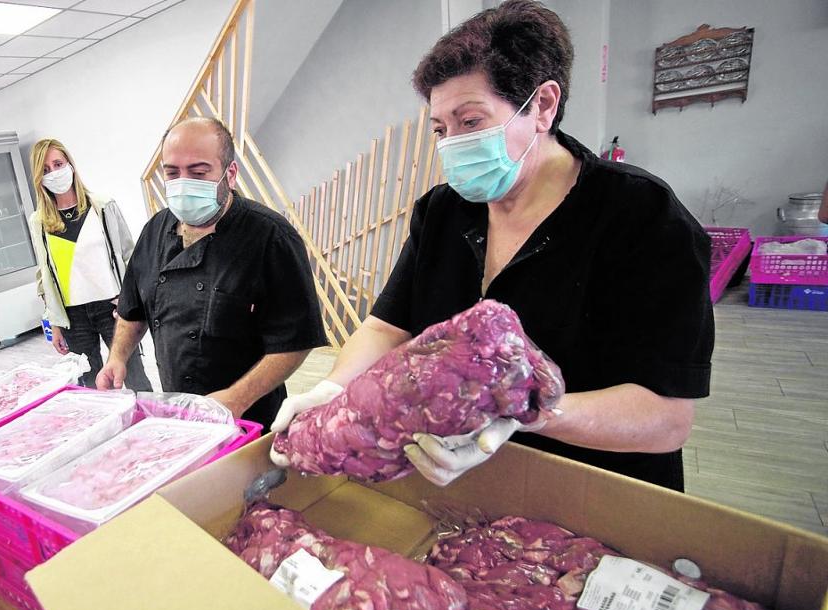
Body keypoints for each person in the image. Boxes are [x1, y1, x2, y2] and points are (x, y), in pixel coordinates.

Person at [272, 0, 714, 492]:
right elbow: (386, 326)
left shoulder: (642, 216)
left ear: (542, 105)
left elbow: (667, 417)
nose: (451, 144)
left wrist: (530, 414)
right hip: (462, 488)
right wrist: (334, 388)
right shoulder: (444, 212)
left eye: (471, 122)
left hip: (596, 490)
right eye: (441, 129)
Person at [96, 118, 328, 430]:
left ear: (229, 174)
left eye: (198, 172)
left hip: (249, 418)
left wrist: (236, 398)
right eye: (172, 173)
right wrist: (117, 357)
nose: (182, 183)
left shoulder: (270, 238)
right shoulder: (154, 231)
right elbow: (132, 310)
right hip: (180, 410)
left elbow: (295, 341)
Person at [26, 138, 152, 390]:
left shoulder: (103, 207)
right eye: (45, 170)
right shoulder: (39, 221)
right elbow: (45, 275)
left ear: (70, 165)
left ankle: (149, 415)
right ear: (39, 178)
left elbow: (130, 256)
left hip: (112, 308)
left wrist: (130, 302)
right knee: (90, 386)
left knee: (134, 378)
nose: (54, 173)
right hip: (73, 317)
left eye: (58, 164)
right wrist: (54, 323)